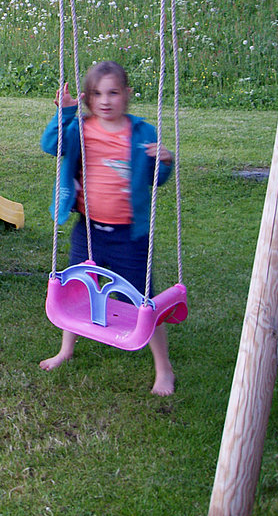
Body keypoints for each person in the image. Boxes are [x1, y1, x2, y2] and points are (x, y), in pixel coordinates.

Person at [38, 60, 176, 395]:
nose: (105, 100)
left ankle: (164, 369)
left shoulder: (142, 132)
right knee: (78, 289)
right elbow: (50, 145)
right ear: (87, 98)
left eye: (113, 93)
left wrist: (165, 161)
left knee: (144, 300)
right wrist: (64, 113)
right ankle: (66, 350)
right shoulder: (80, 129)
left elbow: (155, 179)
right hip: (88, 230)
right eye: (97, 94)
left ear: (127, 94)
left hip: (129, 235)